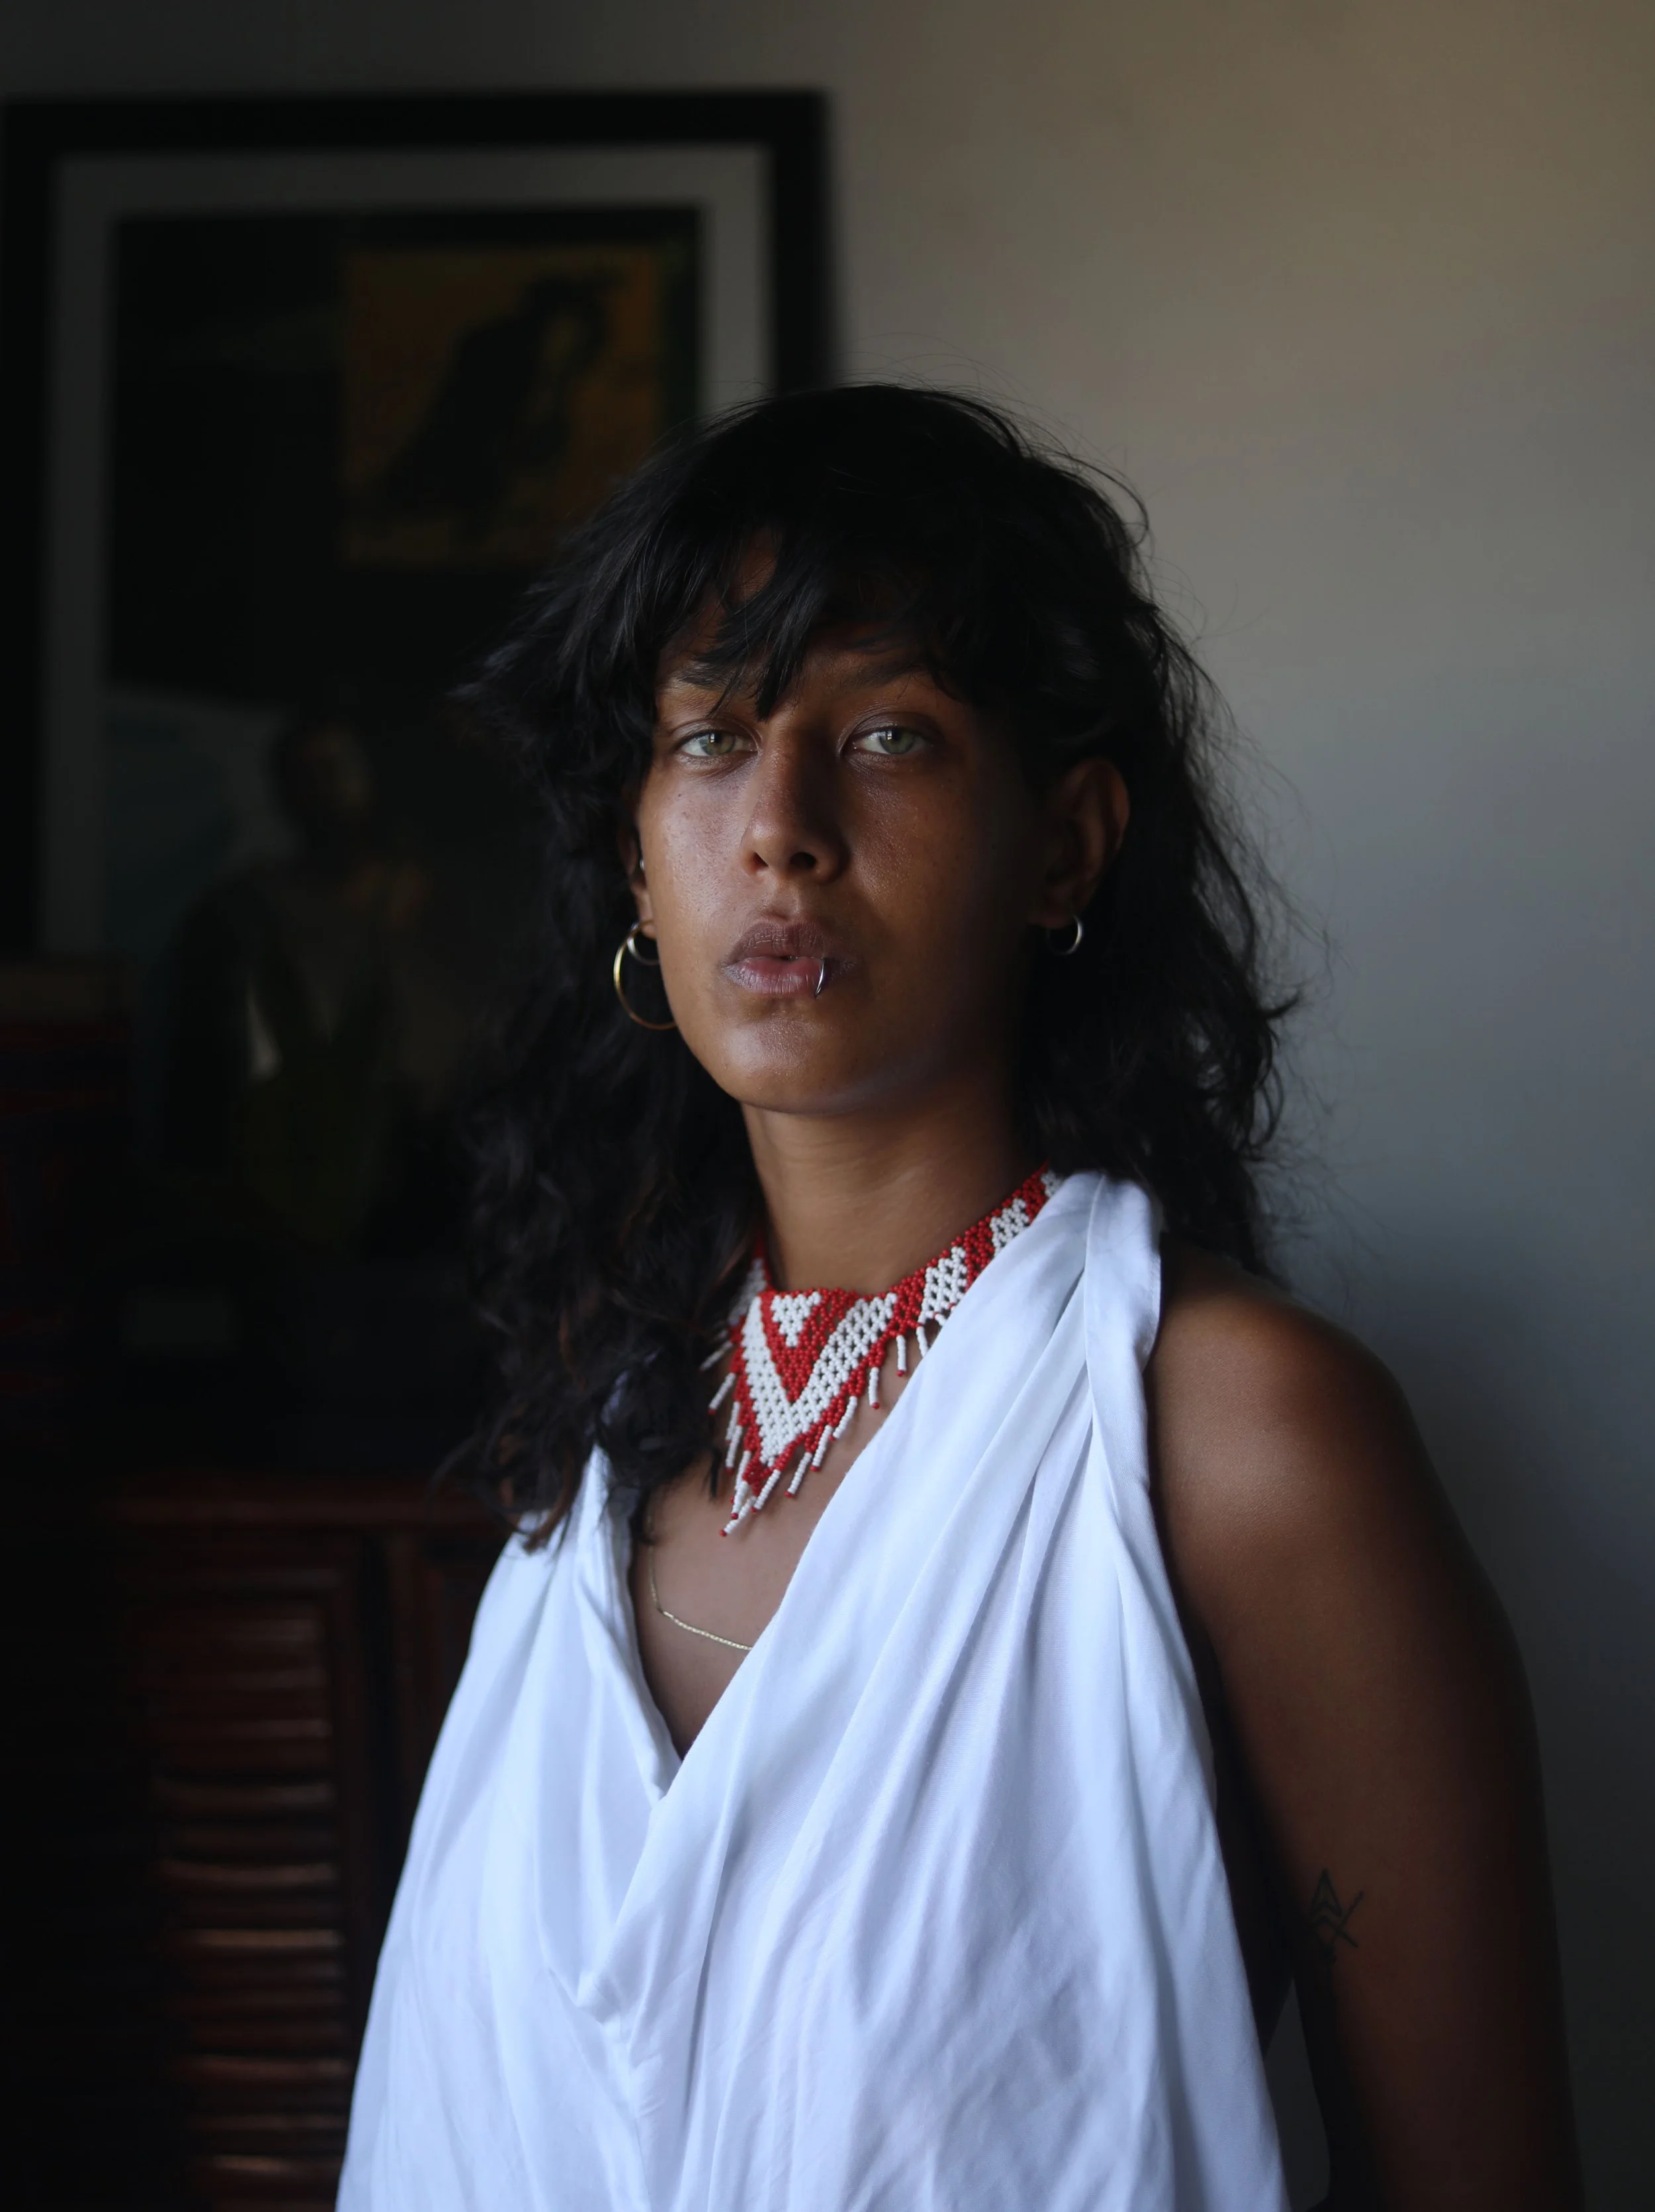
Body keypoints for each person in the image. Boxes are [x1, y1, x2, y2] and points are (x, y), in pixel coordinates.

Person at [338, 387, 1580, 2210]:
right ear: (631, 855)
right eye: (707, 738)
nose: (780, 826)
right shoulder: (593, 1449)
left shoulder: (1230, 1433)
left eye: (893, 732)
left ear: (1065, 844)